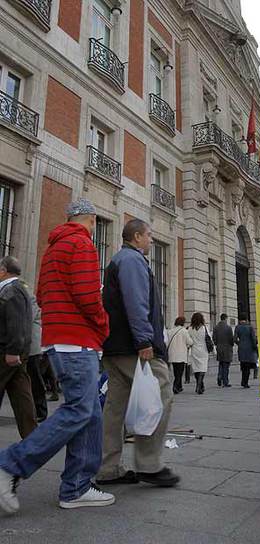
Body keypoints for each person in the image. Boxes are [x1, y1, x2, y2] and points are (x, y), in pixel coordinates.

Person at [0, 198, 114, 514]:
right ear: (89, 219)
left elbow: (44, 296)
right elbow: (89, 296)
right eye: (95, 222)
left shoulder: (53, 249)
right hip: (78, 341)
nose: (95, 227)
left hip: (59, 340)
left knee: (89, 412)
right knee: (78, 410)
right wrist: (104, 326)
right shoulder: (82, 244)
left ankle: (76, 487)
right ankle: (10, 464)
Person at [96, 219, 179, 487]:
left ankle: (107, 467)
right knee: (161, 394)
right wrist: (145, 340)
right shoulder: (132, 260)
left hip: (115, 346)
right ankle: (149, 464)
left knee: (115, 407)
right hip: (134, 347)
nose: (152, 240)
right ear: (136, 236)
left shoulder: (119, 259)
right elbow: (137, 301)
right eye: (149, 235)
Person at [0, 256, 37, 439]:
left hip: (7, 352)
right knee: (21, 395)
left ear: (3, 271)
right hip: (15, 352)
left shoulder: (11, 291)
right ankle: (33, 439)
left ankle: (33, 438)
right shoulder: (17, 289)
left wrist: (13, 351)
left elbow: (16, 323)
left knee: (21, 393)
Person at [22, 283, 48, 422]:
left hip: (31, 346)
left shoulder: (30, 298)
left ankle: (41, 410)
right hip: (24, 346)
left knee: (35, 379)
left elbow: (28, 319)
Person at [167, 317, 193, 394]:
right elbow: (190, 342)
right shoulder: (184, 331)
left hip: (172, 355)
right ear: (183, 323)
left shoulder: (170, 331)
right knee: (180, 372)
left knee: (176, 371)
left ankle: (179, 386)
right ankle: (175, 386)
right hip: (181, 355)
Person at [234, 314, 258, 388]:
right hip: (250, 349)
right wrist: (255, 346)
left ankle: (243, 381)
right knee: (248, 367)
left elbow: (234, 339)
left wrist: (239, 344)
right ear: (246, 319)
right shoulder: (250, 327)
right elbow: (254, 338)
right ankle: (245, 383)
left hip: (241, 349)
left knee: (243, 366)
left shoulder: (237, 327)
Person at [188, 313, 209, 394]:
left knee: (196, 369)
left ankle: (200, 385)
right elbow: (209, 338)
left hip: (194, 350)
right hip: (203, 350)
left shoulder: (190, 329)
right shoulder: (204, 328)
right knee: (202, 368)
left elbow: (189, 340)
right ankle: (199, 385)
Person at [213, 313, 234, 387]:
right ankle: (225, 381)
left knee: (221, 364)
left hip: (219, 348)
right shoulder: (228, 328)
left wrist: (217, 344)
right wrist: (232, 345)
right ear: (225, 318)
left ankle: (219, 376)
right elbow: (231, 339)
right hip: (227, 349)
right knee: (226, 366)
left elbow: (214, 339)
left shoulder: (216, 327)